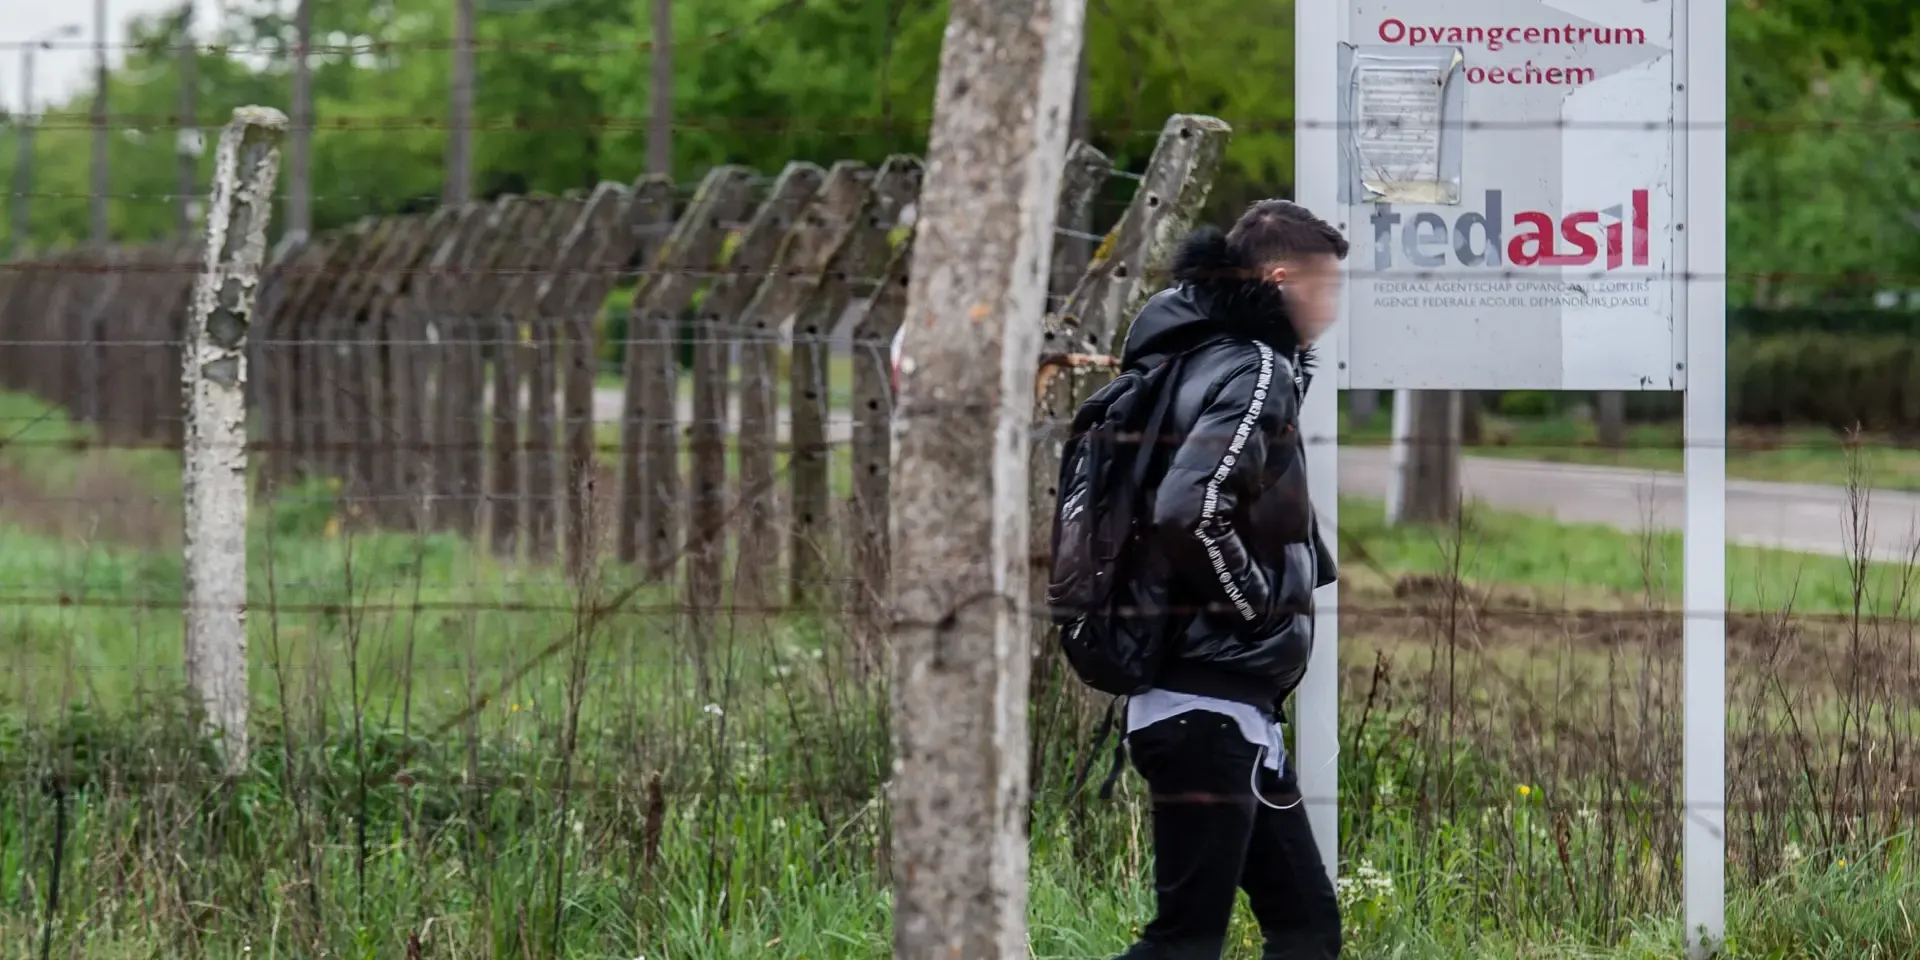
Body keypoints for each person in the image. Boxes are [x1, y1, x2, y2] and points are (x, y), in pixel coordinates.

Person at [1110, 200, 1347, 960]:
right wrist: (1255, 613)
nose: (1334, 308)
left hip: (1221, 708)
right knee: (1185, 942)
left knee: (1306, 928)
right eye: (1327, 287)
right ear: (1281, 278)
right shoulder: (1255, 367)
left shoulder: (1193, 355)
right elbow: (1190, 508)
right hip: (1206, 701)